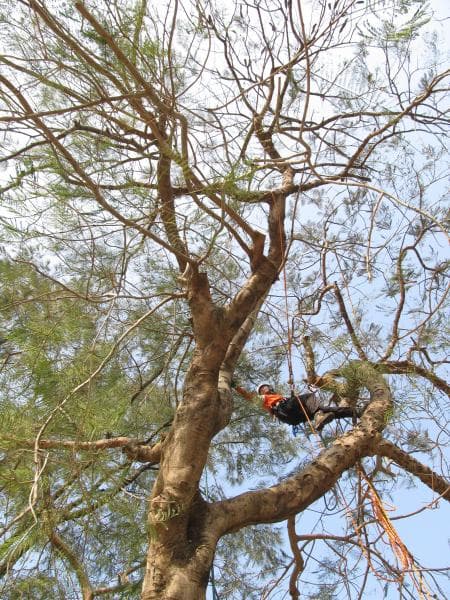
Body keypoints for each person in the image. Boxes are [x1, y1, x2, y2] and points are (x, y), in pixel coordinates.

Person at [234, 382, 358, 431]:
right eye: (262, 389)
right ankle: (318, 416)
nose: (265, 389)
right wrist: (236, 387)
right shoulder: (265, 399)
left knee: (329, 410)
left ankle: (356, 412)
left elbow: (293, 402)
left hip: (295, 417)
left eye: (265, 387)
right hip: (284, 410)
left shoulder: (281, 396)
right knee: (308, 397)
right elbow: (249, 397)